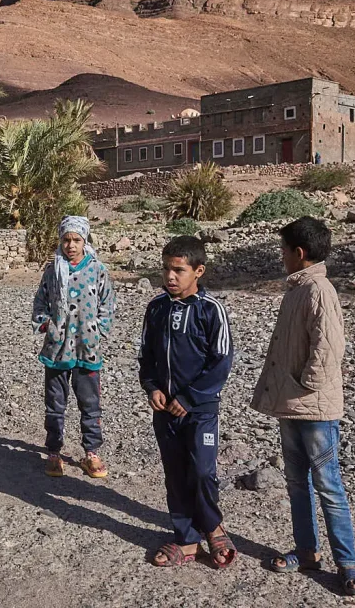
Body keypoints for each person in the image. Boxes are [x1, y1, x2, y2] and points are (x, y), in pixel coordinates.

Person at [252, 217, 355, 596]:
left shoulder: (319, 290)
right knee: (296, 483)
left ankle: (348, 563)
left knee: (328, 485)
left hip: (313, 408)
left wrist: (307, 386)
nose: (281, 256)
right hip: (293, 404)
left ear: (298, 253)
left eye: (284, 250)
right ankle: (306, 552)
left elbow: (329, 347)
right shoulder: (297, 289)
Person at [139, 236, 236, 569]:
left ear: (199, 271)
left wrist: (191, 397)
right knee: (175, 474)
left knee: (202, 472)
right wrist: (152, 387)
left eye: (178, 270)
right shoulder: (156, 309)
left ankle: (212, 526)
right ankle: (187, 540)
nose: (170, 276)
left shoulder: (211, 311)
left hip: (201, 411)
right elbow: (147, 357)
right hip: (164, 411)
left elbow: (221, 361)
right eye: (166, 268)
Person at [32, 216, 115, 478]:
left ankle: (91, 453)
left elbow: (107, 302)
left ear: (85, 240)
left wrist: (99, 329)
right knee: (55, 403)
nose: (70, 245)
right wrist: (47, 325)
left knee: (90, 402)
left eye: (76, 240)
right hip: (57, 350)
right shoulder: (52, 270)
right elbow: (40, 302)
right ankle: (54, 452)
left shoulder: (97, 269)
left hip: (87, 348)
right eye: (66, 240)